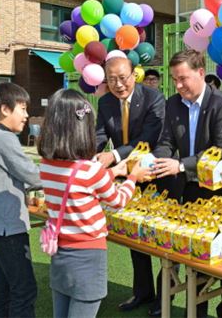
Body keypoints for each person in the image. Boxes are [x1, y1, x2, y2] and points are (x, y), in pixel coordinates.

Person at [151, 49, 222, 318]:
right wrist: (157, 161)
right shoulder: (172, 103)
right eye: (174, 79)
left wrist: (181, 164)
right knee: (196, 254)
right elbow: (165, 142)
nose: (179, 85)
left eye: (183, 78)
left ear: (200, 73)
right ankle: (196, 311)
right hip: (192, 191)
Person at [38, 89, 150, 318]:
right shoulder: (91, 170)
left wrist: (111, 172)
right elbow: (117, 201)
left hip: (60, 252)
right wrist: (132, 178)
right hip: (88, 255)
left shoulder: (46, 164)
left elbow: (77, 186)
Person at [95, 57, 166, 311]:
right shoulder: (105, 102)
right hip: (126, 177)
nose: (118, 84)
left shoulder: (153, 98)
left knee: (160, 238)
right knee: (135, 236)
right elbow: (100, 135)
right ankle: (143, 292)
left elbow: (147, 138)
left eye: (122, 78)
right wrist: (90, 157)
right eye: (111, 79)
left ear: (133, 74)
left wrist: (113, 156)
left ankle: (163, 298)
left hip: (154, 175)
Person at [0, 82, 42, 318]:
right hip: (6, 228)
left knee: (3, 287)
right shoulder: (4, 138)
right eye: (22, 109)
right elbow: (30, 174)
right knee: (24, 289)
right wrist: (64, 174)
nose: (26, 115)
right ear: (5, 109)